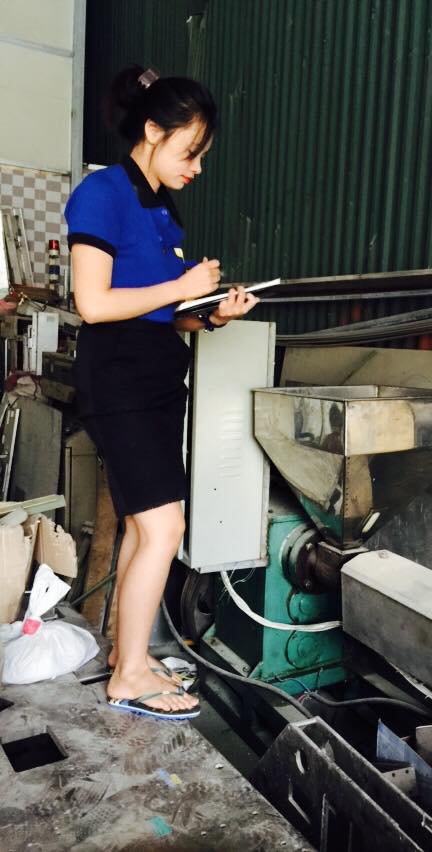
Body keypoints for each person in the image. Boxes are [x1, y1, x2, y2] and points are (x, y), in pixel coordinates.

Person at [65, 65, 258, 720]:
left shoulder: (160, 207)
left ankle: (130, 657)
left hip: (154, 376)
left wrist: (210, 315)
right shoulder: (102, 193)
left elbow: (160, 314)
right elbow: (94, 303)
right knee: (164, 528)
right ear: (152, 131)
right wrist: (181, 287)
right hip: (118, 377)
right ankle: (127, 677)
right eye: (190, 151)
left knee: (142, 526)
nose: (197, 167)